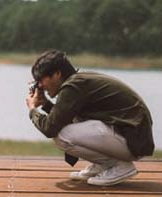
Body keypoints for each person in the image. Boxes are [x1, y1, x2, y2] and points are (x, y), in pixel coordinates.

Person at [25, 50, 155, 186]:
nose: (39, 85)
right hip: (133, 137)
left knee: (61, 135)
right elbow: (63, 118)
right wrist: (45, 104)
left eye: (41, 80)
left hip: (133, 140)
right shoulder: (78, 82)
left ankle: (118, 166)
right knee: (72, 124)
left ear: (57, 74)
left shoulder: (73, 87)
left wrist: (32, 110)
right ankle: (103, 164)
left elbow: (50, 128)